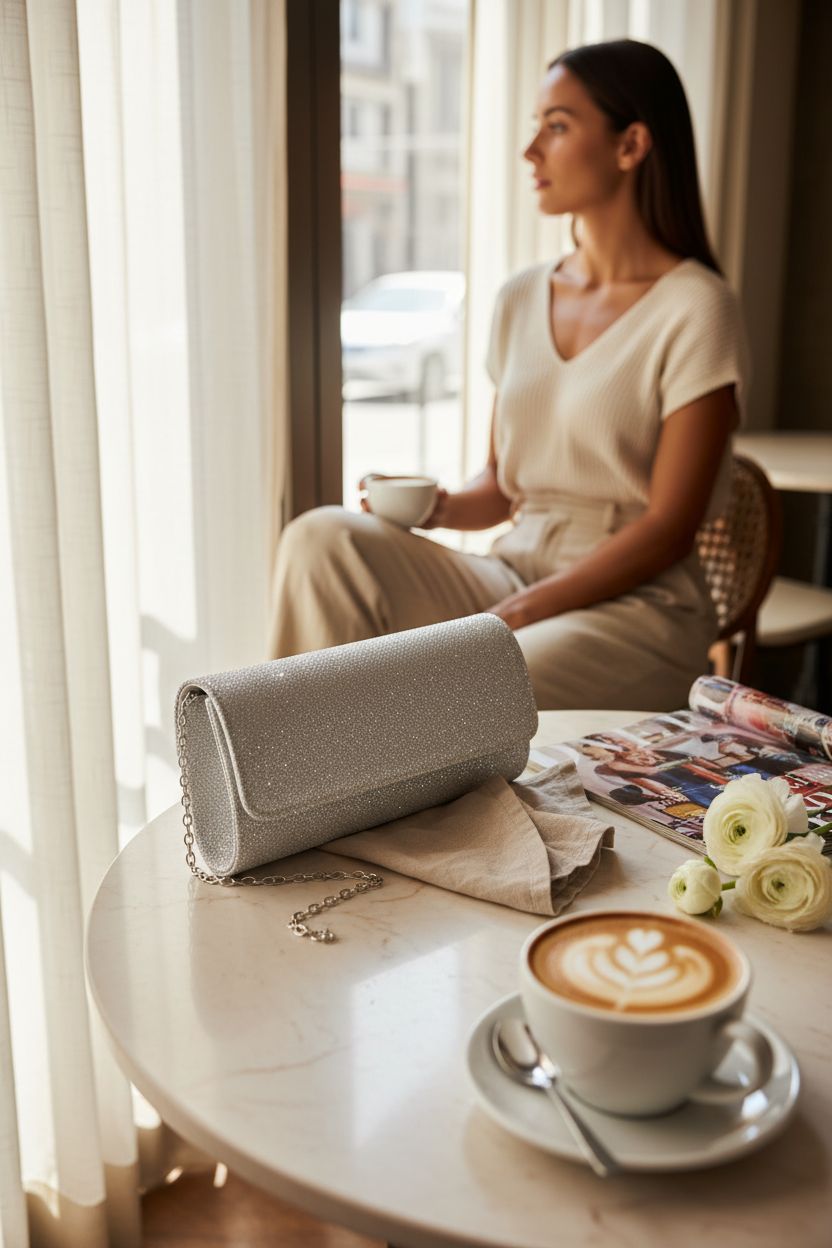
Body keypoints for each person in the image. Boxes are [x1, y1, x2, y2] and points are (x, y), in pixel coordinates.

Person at [270, 38, 749, 711]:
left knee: (467, 679)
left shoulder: (697, 307)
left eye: (557, 126)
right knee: (321, 539)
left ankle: (352, 767)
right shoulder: (522, 296)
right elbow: (500, 487)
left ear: (631, 145)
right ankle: (298, 761)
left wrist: (518, 613)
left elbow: (670, 527)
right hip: (515, 572)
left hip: (638, 610)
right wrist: (435, 507)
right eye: (535, 127)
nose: (531, 151)